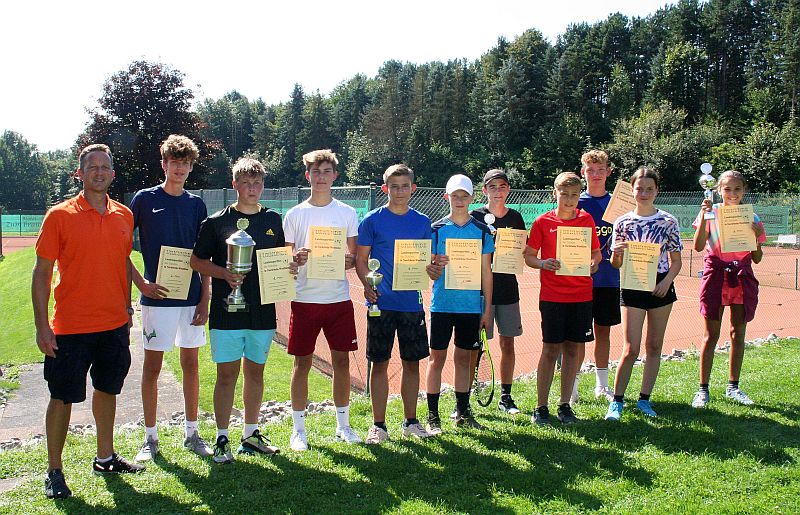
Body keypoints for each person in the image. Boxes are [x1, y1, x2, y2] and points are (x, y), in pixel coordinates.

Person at [33, 144, 144, 499]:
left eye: (105, 167)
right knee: (62, 396)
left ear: (113, 173)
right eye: (91, 167)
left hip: (112, 325)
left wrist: (126, 307)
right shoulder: (59, 216)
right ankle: (54, 469)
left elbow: (122, 263)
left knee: (108, 389)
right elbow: (41, 274)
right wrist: (41, 326)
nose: (99, 172)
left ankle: (105, 457)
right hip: (69, 327)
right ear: (79, 174)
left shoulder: (124, 214)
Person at [190, 157, 289, 463]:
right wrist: (223, 274)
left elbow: (278, 263)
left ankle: (250, 434)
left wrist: (292, 264)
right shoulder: (216, 222)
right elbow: (196, 261)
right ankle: (221, 438)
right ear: (234, 185)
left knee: (255, 374)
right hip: (226, 310)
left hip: (261, 311)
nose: (251, 188)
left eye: (257, 182)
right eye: (245, 182)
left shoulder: (273, 220)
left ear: (263, 185)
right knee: (226, 376)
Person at [128, 135, 212, 462]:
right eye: (173, 162)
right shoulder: (144, 200)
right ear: (164, 164)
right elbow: (121, 247)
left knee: (191, 364)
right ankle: (150, 439)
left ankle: (192, 432)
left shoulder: (196, 204)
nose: (179, 168)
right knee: (153, 366)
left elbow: (203, 255)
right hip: (157, 297)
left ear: (191, 167)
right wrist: (141, 283)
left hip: (190, 298)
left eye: (185, 163)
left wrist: (205, 298)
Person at [283, 149, 361, 451]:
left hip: (338, 300)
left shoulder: (347, 213)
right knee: (301, 363)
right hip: (304, 300)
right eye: (316, 172)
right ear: (308, 176)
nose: (321, 177)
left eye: (327, 171)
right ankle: (298, 430)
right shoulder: (295, 214)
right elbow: (286, 259)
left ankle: (343, 425)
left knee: (342, 362)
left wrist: (347, 261)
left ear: (335, 176)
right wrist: (296, 258)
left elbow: (354, 257)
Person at [356, 164, 436, 444]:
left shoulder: (422, 222)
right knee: (379, 363)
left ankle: (410, 421)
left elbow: (426, 262)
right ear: (384, 188)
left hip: (411, 304)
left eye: (405, 186)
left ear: (413, 188)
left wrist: (433, 271)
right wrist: (368, 285)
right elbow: (361, 260)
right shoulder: (371, 220)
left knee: (411, 363)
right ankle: (378, 425)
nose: (399, 191)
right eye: (394, 186)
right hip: (381, 303)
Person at [605, 167, 682, 421]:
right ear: (632, 189)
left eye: (650, 189)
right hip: (632, 284)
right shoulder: (623, 221)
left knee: (654, 346)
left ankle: (644, 399)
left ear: (657, 190)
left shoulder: (669, 221)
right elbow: (616, 264)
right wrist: (616, 253)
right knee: (631, 348)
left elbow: (676, 261)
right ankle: (616, 401)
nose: (644, 193)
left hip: (660, 286)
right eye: (640, 188)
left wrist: (666, 282)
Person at [524, 172, 600, 425]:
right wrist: (543, 263)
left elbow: (596, 255)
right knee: (550, 350)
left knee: (573, 350)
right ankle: (541, 407)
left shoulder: (586, 219)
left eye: (574, 195)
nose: (569, 200)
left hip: (581, 295)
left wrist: (592, 264)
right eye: (564, 194)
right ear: (554, 193)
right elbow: (530, 256)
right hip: (553, 295)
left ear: (580, 196)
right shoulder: (542, 222)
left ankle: (565, 405)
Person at [426, 174, 494, 433]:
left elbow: (487, 272)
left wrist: (486, 309)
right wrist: (434, 265)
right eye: (455, 196)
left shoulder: (481, 230)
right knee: (437, 359)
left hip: (470, 307)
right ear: (447, 197)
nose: (460, 200)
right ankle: (433, 416)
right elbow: (428, 270)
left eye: (464, 196)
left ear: (472, 198)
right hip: (442, 305)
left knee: (464, 360)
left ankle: (462, 413)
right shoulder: (436, 229)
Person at [691, 170, 765, 408]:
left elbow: (757, 258)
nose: (732, 194)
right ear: (718, 190)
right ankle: (703, 390)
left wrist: (754, 236)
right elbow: (698, 246)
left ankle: (733, 387)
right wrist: (703, 216)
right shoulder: (710, 213)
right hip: (715, 276)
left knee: (738, 333)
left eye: (737, 189)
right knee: (710, 335)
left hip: (742, 277)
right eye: (727, 189)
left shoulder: (752, 217)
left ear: (744, 191)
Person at [469, 169, 525, 415]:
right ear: (485, 191)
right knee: (475, 345)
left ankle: (506, 396)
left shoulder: (516, 218)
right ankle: (470, 394)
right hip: (480, 292)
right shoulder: (475, 216)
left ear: (508, 189)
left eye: (502, 186)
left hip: (508, 290)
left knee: (507, 344)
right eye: (493, 187)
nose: (498, 191)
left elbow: (521, 251)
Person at [576, 150, 620, 403]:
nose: (595, 174)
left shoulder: (618, 204)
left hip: (608, 280)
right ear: (583, 172)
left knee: (603, 332)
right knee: (578, 335)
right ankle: (573, 386)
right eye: (590, 170)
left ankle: (602, 386)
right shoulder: (575, 202)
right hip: (579, 281)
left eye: (600, 169)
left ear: (608, 172)